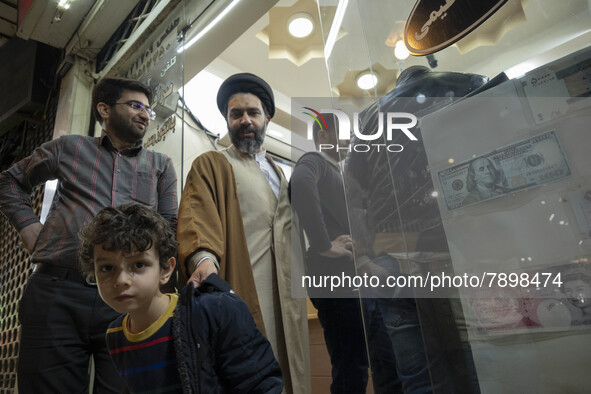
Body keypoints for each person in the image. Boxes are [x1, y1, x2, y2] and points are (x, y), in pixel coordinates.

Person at [0, 78, 178, 392]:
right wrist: (32, 233)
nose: (145, 115)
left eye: (148, 109)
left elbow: (167, 226)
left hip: (127, 299)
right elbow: (9, 183)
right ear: (103, 109)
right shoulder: (70, 147)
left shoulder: (160, 165)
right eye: (135, 106)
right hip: (57, 291)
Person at [177, 72, 310, 394]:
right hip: (245, 285)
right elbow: (196, 215)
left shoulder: (280, 173)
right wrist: (203, 261)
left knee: (294, 367)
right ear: (227, 120)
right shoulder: (213, 163)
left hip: (288, 292)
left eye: (252, 113)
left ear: (267, 117)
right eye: (236, 114)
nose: (245, 120)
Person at [78, 203, 283, 393]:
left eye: (139, 265)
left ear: (166, 269)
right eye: (107, 268)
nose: (121, 280)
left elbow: (261, 385)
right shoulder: (115, 334)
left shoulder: (215, 312)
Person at [290, 115, 400, 393]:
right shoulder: (314, 161)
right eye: (343, 133)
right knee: (352, 368)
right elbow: (301, 184)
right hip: (335, 282)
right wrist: (324, 245)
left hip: (357, 284)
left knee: (383, 361)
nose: (350, 139)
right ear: (324, 136)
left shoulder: (339, 174)